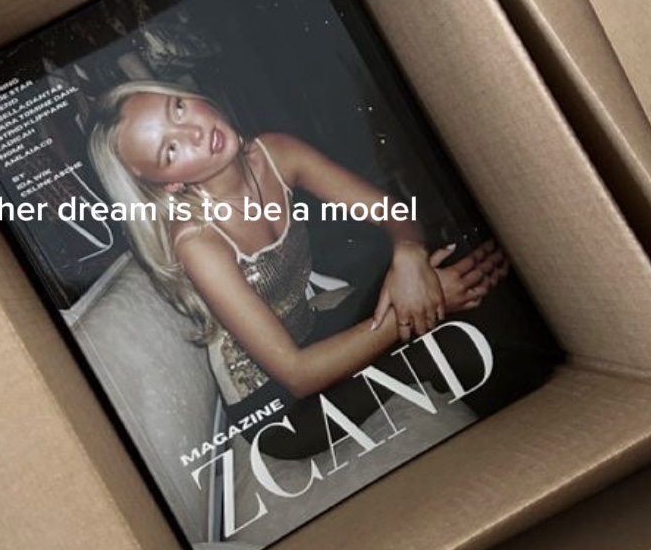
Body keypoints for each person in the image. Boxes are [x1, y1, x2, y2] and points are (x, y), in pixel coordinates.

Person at [88, 80, 508, 458]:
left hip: (313, 331)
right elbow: (297, 375)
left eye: (178, 108)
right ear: (170, 185)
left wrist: (410, 254)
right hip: (280, 408)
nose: (194, 132)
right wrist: (409, 310)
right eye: (170, 150)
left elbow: (392, 213)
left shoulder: (276, 153)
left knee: (446, 269)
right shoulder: (198, 243)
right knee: (446, 338)